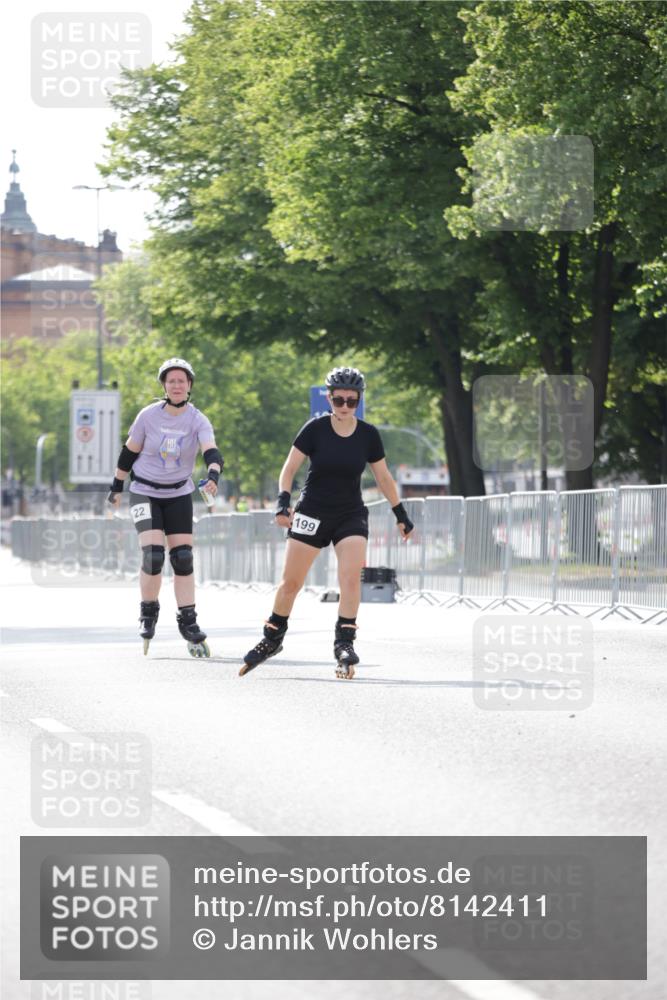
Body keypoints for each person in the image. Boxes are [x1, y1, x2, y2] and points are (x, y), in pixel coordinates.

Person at [240, 366, 414, 680]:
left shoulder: (368, 435)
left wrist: (400, 513)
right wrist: (283, 500)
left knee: (349, 578)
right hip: (311, 512)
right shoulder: (315, 429)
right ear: (329, 399)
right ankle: (272, 638)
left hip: (350, 513)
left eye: (352, 400)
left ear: (359, 400)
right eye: (338, 400)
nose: (345, 406)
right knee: (291, 583)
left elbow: (384, 477)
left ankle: (344, 644)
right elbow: (289, 468)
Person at [107, 357, 223, 656]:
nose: (176, 385)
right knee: (154, 556)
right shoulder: (148, 416)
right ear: (164, 385)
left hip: (179, 493)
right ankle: (148, 611)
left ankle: (188, 620)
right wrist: (116, 487)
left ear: (189, 386)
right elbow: (128, 454)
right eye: (171, 381)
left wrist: (212, 475)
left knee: (183, 558)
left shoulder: (198, 419)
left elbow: (212, 451)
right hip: (144, 491)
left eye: (181, 381)